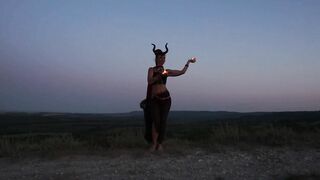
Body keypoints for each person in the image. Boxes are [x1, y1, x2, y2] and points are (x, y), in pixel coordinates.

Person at [142, 43, 196, 152]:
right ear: (156, 58)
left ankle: (160, 144)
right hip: (155, 99)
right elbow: (150, 81)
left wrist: (188, 62)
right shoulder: (151, 69)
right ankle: (154, 144)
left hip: (166, 99)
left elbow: (181, 72)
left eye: (164, 58)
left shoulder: (167, 71)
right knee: (155, 121)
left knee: (163, 121)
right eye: (160, 57)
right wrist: (159, 75)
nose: (162, 59)